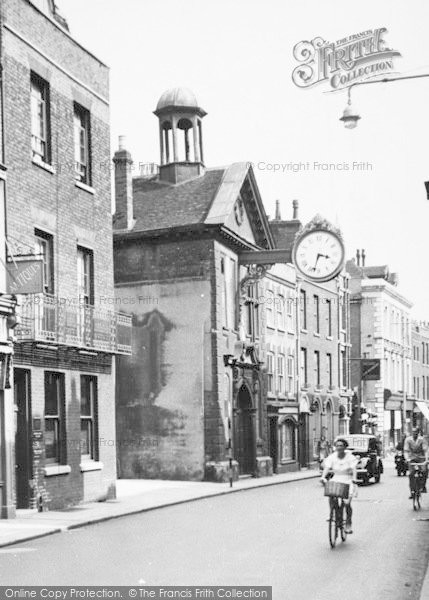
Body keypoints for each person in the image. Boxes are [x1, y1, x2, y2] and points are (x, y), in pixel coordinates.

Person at [320, 438, 358, 534]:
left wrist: (354, 478)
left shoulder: (350, 457)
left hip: (347, 479)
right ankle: (332, 514)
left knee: (347, 503)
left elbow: (354, 469)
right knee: (331, 494)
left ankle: (348, 523)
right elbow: (327, 468)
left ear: (345, 447)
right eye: (337, 446)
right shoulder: (332, 457)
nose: (339, 447)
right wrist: (323, 477)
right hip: (336, 477)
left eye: (341, 445)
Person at [404, 427, 429, 498]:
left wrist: (426, 459)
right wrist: (407, 459)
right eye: (413, 432)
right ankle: (412, 491)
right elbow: (406, 450)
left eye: (416, 432)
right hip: (412, 458)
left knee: (424, 471)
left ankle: (423, 486)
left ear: (418, 433)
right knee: (411, 474)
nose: (414, 434)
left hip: (421, 458)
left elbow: (425, 450)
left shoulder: (422, 439)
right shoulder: (408, 440)